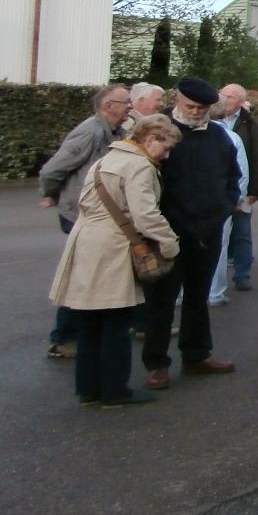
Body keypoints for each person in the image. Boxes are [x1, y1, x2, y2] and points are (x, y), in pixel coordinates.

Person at [48, 115, 183, 406]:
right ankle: (114, 390)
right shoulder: (138, 165)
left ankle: (88, 388)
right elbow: (145, 214)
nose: (167, 155)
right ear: (150, 140)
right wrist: (171, 244)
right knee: (115, 321)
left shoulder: (107, 159)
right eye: (166, 147)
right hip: (111, 246)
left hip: (85, 240)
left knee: (90, 322)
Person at [140, 76, 242, 390]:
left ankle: (197, 354)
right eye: (190, 106)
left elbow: (231, 177)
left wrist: (222, 209)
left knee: (198, 298)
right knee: (162, 301)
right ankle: (156, 364)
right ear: (177, 101)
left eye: (202, 108)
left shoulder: (218, 136)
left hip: (206, 231)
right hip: (166, 232)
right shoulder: (159, 133)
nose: (196, 112)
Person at [37, 84, 131, 358]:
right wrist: (52, 194)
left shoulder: (115, 131)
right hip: (80, 214)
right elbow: (52, 170)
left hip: (98, 215)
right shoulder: (90, 131)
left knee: (93, 275)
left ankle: (86, 333)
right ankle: (64, 338)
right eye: (125, 102)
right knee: (82, 276)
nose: (130, 106)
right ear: (107, 105)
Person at [220, 83, 258, 292]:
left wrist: (255, 189)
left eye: (230, 97)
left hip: (242, 186)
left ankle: (242, 275)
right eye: (222, 95)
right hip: (219, 186)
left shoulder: (249, 123)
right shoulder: (212, 119)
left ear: (240, 101)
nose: (224, 100)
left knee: (242, 232)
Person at [205, 98, 249, 307]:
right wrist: (237, 199)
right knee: (219, 248)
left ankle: (183, 292)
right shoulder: (232, 137)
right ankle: (214, 293)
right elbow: (241, 173)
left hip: (194, 203)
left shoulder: (190, 135)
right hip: (222, 203)